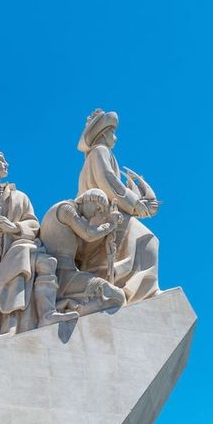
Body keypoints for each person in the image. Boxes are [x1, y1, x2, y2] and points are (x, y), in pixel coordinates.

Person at [0, 150, 77, 340]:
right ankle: (7, 328)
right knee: (23, 254)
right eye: (1, 160)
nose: (6, 164)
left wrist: (14, 227)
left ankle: (46, 314)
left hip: (16, 251)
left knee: (43, 261)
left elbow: (34, 225)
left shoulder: (20, 197)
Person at [77, 109, 160, 302]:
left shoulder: (101, 154)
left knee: (146, 240)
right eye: (113, 132)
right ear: (103, 133)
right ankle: (140, 292)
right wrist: (136, 204)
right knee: (148, 239)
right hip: (103, 213)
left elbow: (114, 184)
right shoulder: (100, 151)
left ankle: (134, 288)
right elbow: (109, 182)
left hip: (109, 212)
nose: (116, 137)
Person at [40, 189, 126, 314]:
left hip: (68, 274)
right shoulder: (66, 209)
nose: (96, 213)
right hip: (62, 276)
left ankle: (72, 307)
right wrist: (111, 224)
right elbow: (89, 234)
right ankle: (69, 306)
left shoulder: (72, 217)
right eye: (98, 208)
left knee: (115, 297)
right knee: (116, 296)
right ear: (89, 199)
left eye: (100, 211)